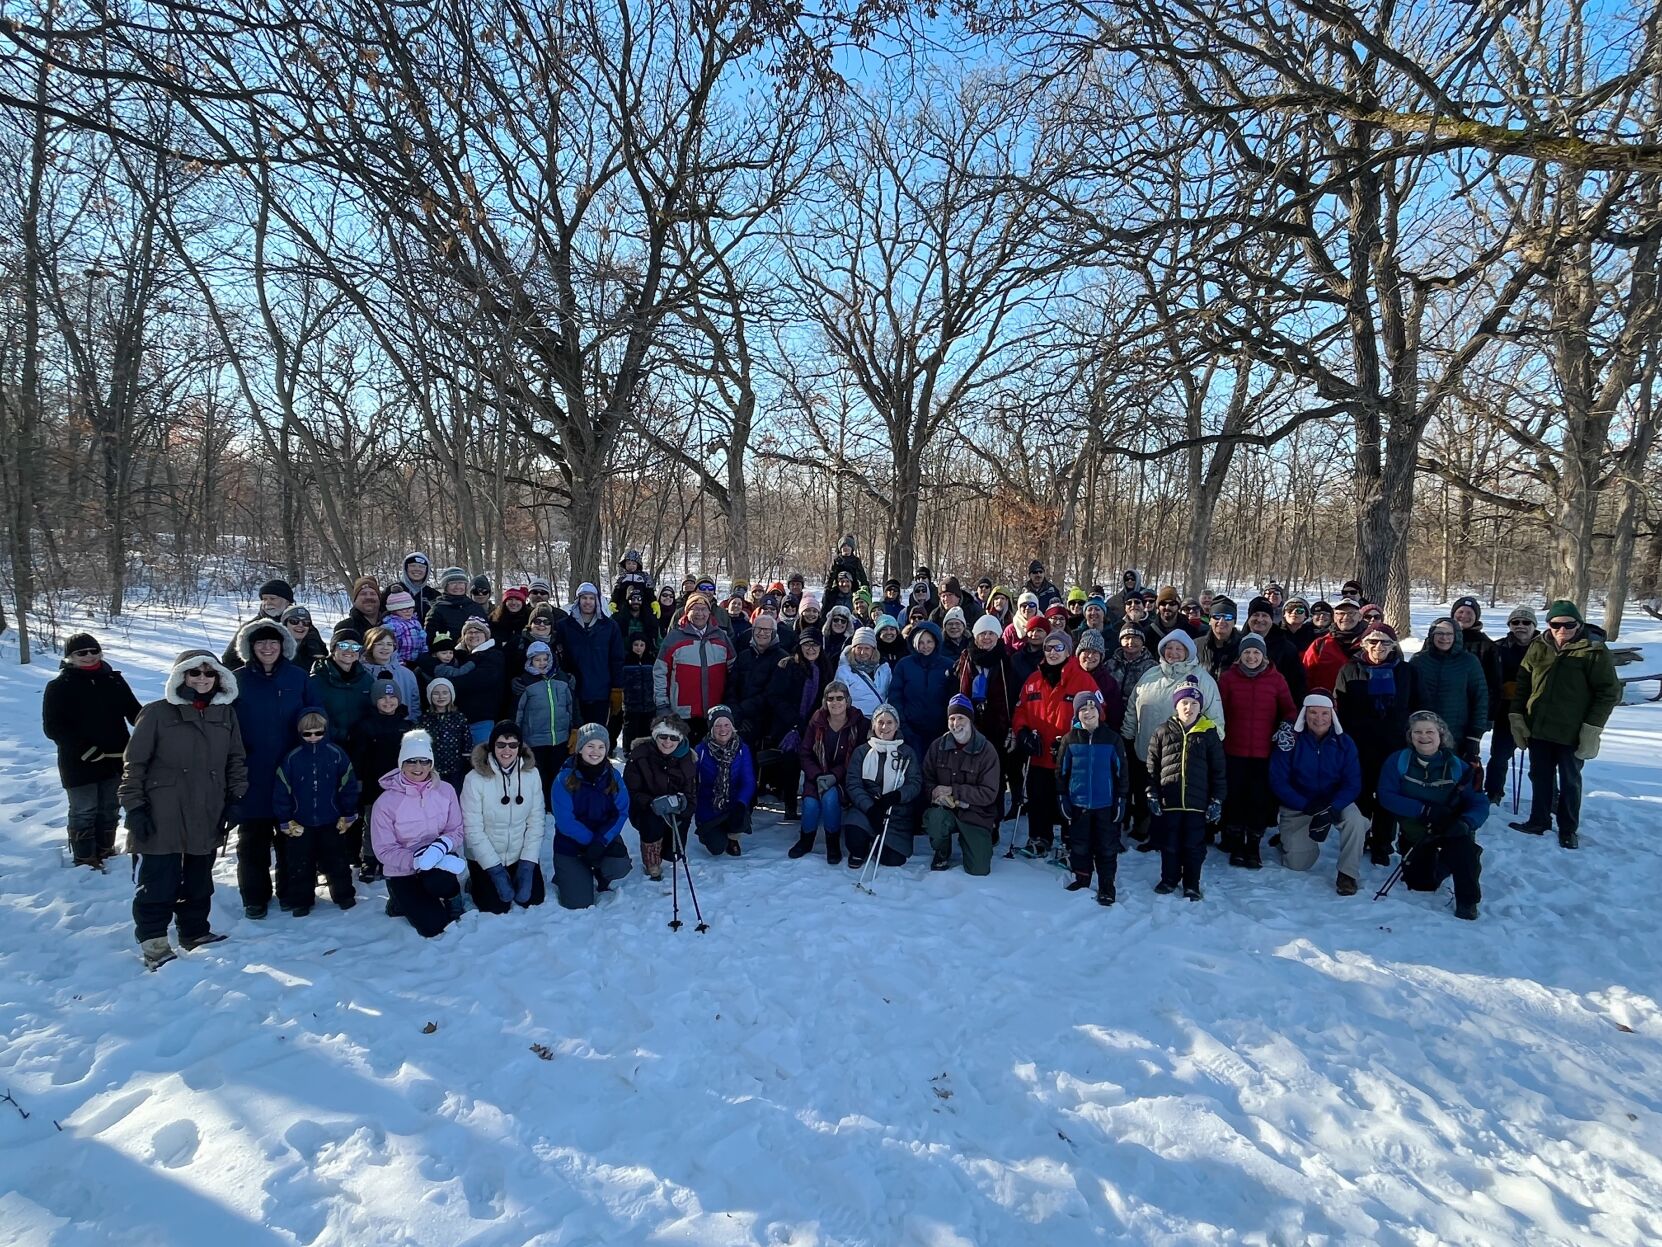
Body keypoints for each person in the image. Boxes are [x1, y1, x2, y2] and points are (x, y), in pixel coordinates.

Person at [120, 650, 248, 970]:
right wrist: (134, 806)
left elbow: (236, 759)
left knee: (198, 877)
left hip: (207, 808)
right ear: (181, 677)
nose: (202, 680)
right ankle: (154, 943)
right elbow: (134, 765)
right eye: (195, 674)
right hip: (162, 809)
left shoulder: (225, 714)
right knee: (159, 879)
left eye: (208, 674)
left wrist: (235, 797)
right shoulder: (157, 713)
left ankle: (194, 930)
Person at [1508, 599, 1620, 848]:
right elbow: (1524, 683)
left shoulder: (1594, 651)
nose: (1562, 630)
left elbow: (1609, 692)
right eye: (1556, 624)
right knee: (1539, 776)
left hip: (1572, 730)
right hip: (1539, 726)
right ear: (1548, 624)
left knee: (1570, 780)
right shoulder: (1538, 645)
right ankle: (1539, 820)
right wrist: (1517, 716)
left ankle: (1568, 829)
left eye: (1568, 625)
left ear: (1578, 624)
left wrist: (1592, 728)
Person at [224, 619, 309, 911]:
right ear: (250, 647)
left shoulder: (298, 677)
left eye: (273, 642)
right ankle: (255, 897)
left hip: (290, 768)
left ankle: (290, 892)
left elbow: (314, 713)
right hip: (252, 770)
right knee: (252, 840)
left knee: (291, 836)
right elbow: (225, 724)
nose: (268, 648)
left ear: (283, 646)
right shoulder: (236, 680)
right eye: (261, 643)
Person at [1376, 711, 1488, 920]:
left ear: (1441, 735)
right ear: (1410, 736)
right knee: (1421, 884)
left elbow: (1479, 802)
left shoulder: (1457, 766)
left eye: (1430, 731)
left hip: (1452, 828)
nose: (1424, 736)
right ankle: (1441, 862)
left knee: (1463, 851)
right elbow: (1386, 795)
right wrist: (1423, 810)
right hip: (1418, 829)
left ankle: (1468, 901)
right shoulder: (1398, 761)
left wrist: (1467, 822)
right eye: (1418, 732)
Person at [43, 632, 142, 868]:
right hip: (79, 762)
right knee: (84, 810)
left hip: (116, 758)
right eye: (81, 653)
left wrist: (156, 726)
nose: (89, 656)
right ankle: (85, 857)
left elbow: (135, 712)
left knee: (110, 807)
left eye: (93, 651)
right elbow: (54, 728)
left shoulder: (115, 680)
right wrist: (85, 750)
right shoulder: (59, 686)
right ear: (70, 657)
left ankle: (105, 849)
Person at [1335, 621, 1421, 866]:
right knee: (1361, 793)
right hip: (1360, 744)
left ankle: (1382, 843)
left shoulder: (1405, 672)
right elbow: (1341, 708)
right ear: (1364, 644)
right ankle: (1359, 837)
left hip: (1394, 745)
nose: (1378, 646)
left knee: (1387, 794)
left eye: (1384, 642)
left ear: (1393, 645)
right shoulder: (1350, 670)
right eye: (1372, 641)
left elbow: (1417, 705)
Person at [1268, 693, 1369, 895]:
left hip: (1334, 801)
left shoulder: (1345, 743)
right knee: (1298, 864)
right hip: (1301, 804)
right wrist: (1306, 805)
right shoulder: (1290, 740)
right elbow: (1278, 781)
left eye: (1325, 713)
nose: (1319, 718)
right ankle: (1286, 840)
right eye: (1313, 712)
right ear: (1305, 714)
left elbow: (1353, 783)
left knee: (1356, 821)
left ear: (1333, 715)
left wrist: (1334, 807)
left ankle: (1347, 874)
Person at [371, 730, 469, 937]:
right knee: (432, 926)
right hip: (402, 870)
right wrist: (417, 859)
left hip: (438, 861)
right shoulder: (385, 802)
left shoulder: (446, 790)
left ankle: (451, 896)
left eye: (424, 761)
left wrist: (440, 847)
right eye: (411, 761)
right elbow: (384, 850)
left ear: (431, 763)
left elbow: (457, 830)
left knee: (440, 882)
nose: (418, 768)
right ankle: (399, 900)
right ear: (401, 764)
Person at [1011, 627, 1096, 858]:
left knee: (1069, 800)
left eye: (1058, 647)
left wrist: (1073, 738)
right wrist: (1023, 733)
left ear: (1068, 651)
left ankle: (1070, 842)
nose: (1052, 652)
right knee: (1038, 797)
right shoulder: (1033, 680)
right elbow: (1020, 710)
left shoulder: (1082, 679)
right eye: (1048, 647)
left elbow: (1097, 713)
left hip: (1069, 754)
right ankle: (1039, 837)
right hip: (1038, 753)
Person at [1216, 633, 1295, 868]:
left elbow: (1290, 709)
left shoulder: (1276, 679)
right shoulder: (1229, 678)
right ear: (1240, 655)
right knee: (1235, 798)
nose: (1251, 657)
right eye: (1247, 653)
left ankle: (1253, 846)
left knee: (1258, 800)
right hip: (1234, 750)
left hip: (1264, 753)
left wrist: (1285, 726)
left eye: (1256, 652)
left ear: (1264, 655)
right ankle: (1236, 843)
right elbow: (1218, 710)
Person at [272, 707, 361, 915]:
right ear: (300, 733)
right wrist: (285, 819)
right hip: (300, 822)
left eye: (318, 732)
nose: (313, 737)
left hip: (331, 819)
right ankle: (301, 900)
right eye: (307, 734)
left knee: (337, 860)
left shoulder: (336, 754)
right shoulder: (292, 758)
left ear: (326, 730)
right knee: (300, 864)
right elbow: (281, 790)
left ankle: (344, 894)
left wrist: (348, 813)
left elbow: (348, 784)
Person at [1146, 682, 1226, 900]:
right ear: (1176, 705)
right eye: (1183, 702)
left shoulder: (1209, 734)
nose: (1188, 707)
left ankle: (1192, 883)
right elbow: (1152, 767)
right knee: (1169, 843)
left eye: (1193, 703)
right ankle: (1169, 879)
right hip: (1169, 800)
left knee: (1194, 846)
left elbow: (1219, 771)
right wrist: (1151, 792)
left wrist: (1217, 800)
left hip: (1197, 803)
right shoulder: (1162, 731)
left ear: (1200, 707)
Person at [460, 721, 546, 913]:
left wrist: (528, 864)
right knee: (496, 906)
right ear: (492, 746)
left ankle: (518, 872)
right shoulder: (474, 779)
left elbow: (537, 821)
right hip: (486, 856)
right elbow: (473, 829)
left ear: (519, 747)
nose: (507, 750)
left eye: (513, 744)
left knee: (533, 899)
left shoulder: (532, 775)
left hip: (518, 852)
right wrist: (495, 870)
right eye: (501, 744)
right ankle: (475, 881)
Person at [1057, 690, 1127, 904]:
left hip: (1105, 804)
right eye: (1083, 709)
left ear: (1099, 710)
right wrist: (1062, 797)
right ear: (1077, 714)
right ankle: (1082, 878)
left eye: (1091, 707)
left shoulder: (1112, 739)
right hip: (1079, 805)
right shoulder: (1069, 740)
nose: (1088, 712)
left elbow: (1121, 772)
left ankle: (1107, 885)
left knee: (1106, 846)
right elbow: (1061, 772)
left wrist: (1121, 799)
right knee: (1080, 845)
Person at [922, 696, 1004, 874]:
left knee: (979, 870)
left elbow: (989, 793)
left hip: (976, 814)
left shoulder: (986, 750)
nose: (955, 723)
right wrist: (934, 792)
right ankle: (942, 852)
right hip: (945, 812)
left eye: (961, 718)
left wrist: (954, 791)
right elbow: (926, 779)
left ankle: (976, 840)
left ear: (970, 720)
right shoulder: (937, 746)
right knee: (935, 819)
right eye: (952, 718)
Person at [791, 679, 866, 864]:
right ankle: (805, 841)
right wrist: (817, 775)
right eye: (830, 698)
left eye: (840, 698)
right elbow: (805, 753)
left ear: (847, 700)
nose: (835, 703)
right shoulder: (817, 721)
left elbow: (858, 757)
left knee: (830, 797)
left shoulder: (860, 723)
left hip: (845, 777)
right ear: (825, 701)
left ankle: (832, 843)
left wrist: (834, 776)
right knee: (809, 803)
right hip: (816, 774)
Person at [843, 703, 923, 869]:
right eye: (880, 722)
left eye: (889, 722)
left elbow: (915, 783)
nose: (884, 727)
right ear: (873, 724)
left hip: (896, 813)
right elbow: (853, 783)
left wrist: (897, 796)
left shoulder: (906, 753)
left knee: (892, 860)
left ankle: (878, 843)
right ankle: (860, 847)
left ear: (896, 726)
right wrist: (870, 808)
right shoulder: (862, 751)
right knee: (854, 835)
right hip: (867, 810)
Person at [957, 614, 1019, 819]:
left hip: (997, 726)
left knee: (995, 775)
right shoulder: (966, 658)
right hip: (970, 725)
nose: (986, 637)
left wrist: (1011, 727)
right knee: (969, 772)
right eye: (982, 633)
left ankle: (994, 818)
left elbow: (1013, 695)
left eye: (991, 633)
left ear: (998, 636)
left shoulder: (1006, 660)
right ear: (975, 636)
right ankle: (970, 817)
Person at [348, 679, 410, 882]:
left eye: (392, 697)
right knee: (372, 823)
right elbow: (357, 757)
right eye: (383, 697)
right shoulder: (365, 726)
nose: (388, 701)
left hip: (400, 785)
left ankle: (392, 857)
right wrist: (358, 784)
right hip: (373, 783)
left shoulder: (407, 725)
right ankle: (369, 858)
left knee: (399, 823)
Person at [653, 591, 735, 743]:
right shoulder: (674, 638)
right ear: (687, 612)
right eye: (695, 609)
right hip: (682, 714)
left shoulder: (721, 637)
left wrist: (731, 702)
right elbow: (660, 673)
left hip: (714, 712)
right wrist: (662, 704)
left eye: (703, 609)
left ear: (709, 612)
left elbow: (734, 672)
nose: (699, 614)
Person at [625, 713, 697, 881]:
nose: (667, 742)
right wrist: (651, 802)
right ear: (655, 736)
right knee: (652, 821)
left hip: (675, 809)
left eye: (673, 738)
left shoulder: (688, 759)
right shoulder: (639, 755)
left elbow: (692, 795)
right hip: (648, 809)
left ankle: (670, 848)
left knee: (674, 854)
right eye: (662, 736)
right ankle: (652, 862)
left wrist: (682, 802)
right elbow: (631, 791)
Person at [1408, 617, 1489, 767]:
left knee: (1453, 777)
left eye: (1449, 634)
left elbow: (1480, 699)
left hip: (1457, 734)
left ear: (1456, 636)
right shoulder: (1419, 661)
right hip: (1422, 734)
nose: (1444, 638)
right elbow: (1408, 697)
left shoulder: (1469, 662)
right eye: (1439, 633)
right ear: (1432, 636)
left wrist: (1475, 736)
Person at [767, 631, 827, 821]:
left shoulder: (825, 667)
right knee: (791, 760)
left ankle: (814, 803)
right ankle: (790, 806)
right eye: (807, 645)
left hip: (815, 725)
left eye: (815, 645)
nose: (811, 649)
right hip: (789, 726)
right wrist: (795, 721)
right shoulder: (787, 665)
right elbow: (775, 697)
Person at [513, 640, 576, 806]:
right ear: (530, 661)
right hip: (535, 739)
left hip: (560, 737)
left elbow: (571, 706)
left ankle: (553, 802)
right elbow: (518, 711)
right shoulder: (525, 682)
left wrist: (574, 728)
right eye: (537, 660)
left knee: (557, 772)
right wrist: (516, 735)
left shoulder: (562, 679)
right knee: (539, 773)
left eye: (545, 659)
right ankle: (539, 803)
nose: (542, 663)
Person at [1487, 606, 1538, 804]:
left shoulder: (1546, 647)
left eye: (1526, 622)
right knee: (1499, 757)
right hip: (1506, 712)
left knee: (1542, 762)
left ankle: (1549, 798)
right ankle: (1493, 793)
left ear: (1534, 625)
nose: (1521, 626)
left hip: (1537, 713)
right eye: (1515, 622)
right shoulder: (1498, 647)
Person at [693, 705, 756, 856]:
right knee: (716, 848)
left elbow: (749, 781)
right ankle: (711, 833)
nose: (723, 729)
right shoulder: (700, 750)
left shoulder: (742, 749)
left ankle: (733, 837)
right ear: (711, 728)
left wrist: (741, 804)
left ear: (732, 726)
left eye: (727, 724)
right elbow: (691, 781)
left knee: (740, 820)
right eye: (718, 725)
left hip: (733, 803)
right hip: (709, 805)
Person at [889, 621, 956, 760]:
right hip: (911, 731)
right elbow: (895, 696)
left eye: (929, 642)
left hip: (940, 730)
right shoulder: (904, 665)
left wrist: (949, 725)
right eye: (921, 642)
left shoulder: (948, 665)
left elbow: (953, 697)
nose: (925, 646)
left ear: (936, 642)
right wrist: (903, 725)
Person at [306, 625, 374, 745]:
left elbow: (371, 711)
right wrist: (339, 734)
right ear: (333, 649)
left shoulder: (366, 679)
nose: (350, 650)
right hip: (327, 743)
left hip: (361, 743)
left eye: (355, 647)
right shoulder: (317, 679)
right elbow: (314, 714)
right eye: (343, 645)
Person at [451, 616, 507, 745]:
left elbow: (481, 680)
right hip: (456, 720)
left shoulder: (494, 655)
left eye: (478, 632)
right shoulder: (456, 657)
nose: (473, 635)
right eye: (469, 632)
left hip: (481, 719)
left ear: (486, 635)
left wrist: (449, 683)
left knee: (481, 760)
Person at [221, 578, 295, 671]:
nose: (268, 603)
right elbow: (229, 661)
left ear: (287, 601)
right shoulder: (251, 628)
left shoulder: (301, 624)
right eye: (264, 599)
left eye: (272, 598)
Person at [1303, 598, 1366, 691]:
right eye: (1341, 613)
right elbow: (1305, 675)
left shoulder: (1370, 644)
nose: (1346, 617)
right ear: (1334, 617)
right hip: (1327, 702)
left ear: (1360, 616)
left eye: (1351, 613)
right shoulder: (1320, 644)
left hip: (1362, 703)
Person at [361, 625, 421, 721]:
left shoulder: (407, 674)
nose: (385, 648)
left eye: (389, 644)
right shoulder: (361, 673)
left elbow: (415, 705)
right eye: (380, 644)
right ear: (370, 646)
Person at [837, 626, 893, 720]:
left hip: (882, 720)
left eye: (867, 648)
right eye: (859, 648)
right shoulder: (844, 671)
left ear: (873, 650)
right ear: (853, 648)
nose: (862, 652)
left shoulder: (884, 668)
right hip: (856, 720)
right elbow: (841, 700)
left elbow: (890, 692)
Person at [424, 567, 486, 642]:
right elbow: (430, 638)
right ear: (445, 586)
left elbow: (486, 632)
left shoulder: (475, 608)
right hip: (448, 652)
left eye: (461, 583)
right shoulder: (437, 610)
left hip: (475, 651)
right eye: (452, 583)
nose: (457, 586)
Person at [383, 552, 439, 620]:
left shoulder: (433, 595)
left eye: (421, 567)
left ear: (427, 571)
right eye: (413, 566)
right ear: (406, 569)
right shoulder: (392, 591)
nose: (417, 569)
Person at [1194, 596, 1241, 678]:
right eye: (1217, 616)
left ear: (1234, 622)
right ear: (1210, 620)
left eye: (1227, 617)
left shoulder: (1243, 647)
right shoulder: (1196, 646)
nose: (1221, 621)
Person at [383, 589, 430, 666]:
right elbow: (391, 647)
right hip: (401, 663)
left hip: (419, 661)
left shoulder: (416, 623)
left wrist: (425, 656)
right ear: (394, 610)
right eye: (402, 609)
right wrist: (399, 662)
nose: (408, 611)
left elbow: (423, 641)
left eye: (410, 607)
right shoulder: (391, 626)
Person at [612, 549, 653, 616]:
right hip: (624, 604)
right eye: (629, 563)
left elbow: (649, 591)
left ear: (638, 564)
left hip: (641, 604)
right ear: (625, 564)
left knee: (649, 617)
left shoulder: (644, 577)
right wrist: (613, 601)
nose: (631, 566)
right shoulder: (621, 577)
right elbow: (616, 592)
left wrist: (653, 602)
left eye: (634, 564)